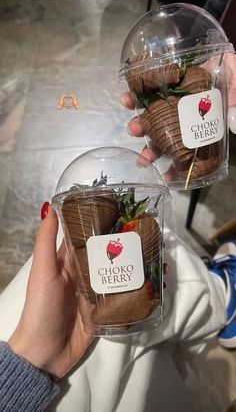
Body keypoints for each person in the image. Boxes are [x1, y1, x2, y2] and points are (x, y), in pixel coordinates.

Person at [1, 56, 236, 412]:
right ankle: (220, 300)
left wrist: (32, 359)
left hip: (23, 372)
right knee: (160, 269)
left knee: (138, 333)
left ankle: (211, 305)